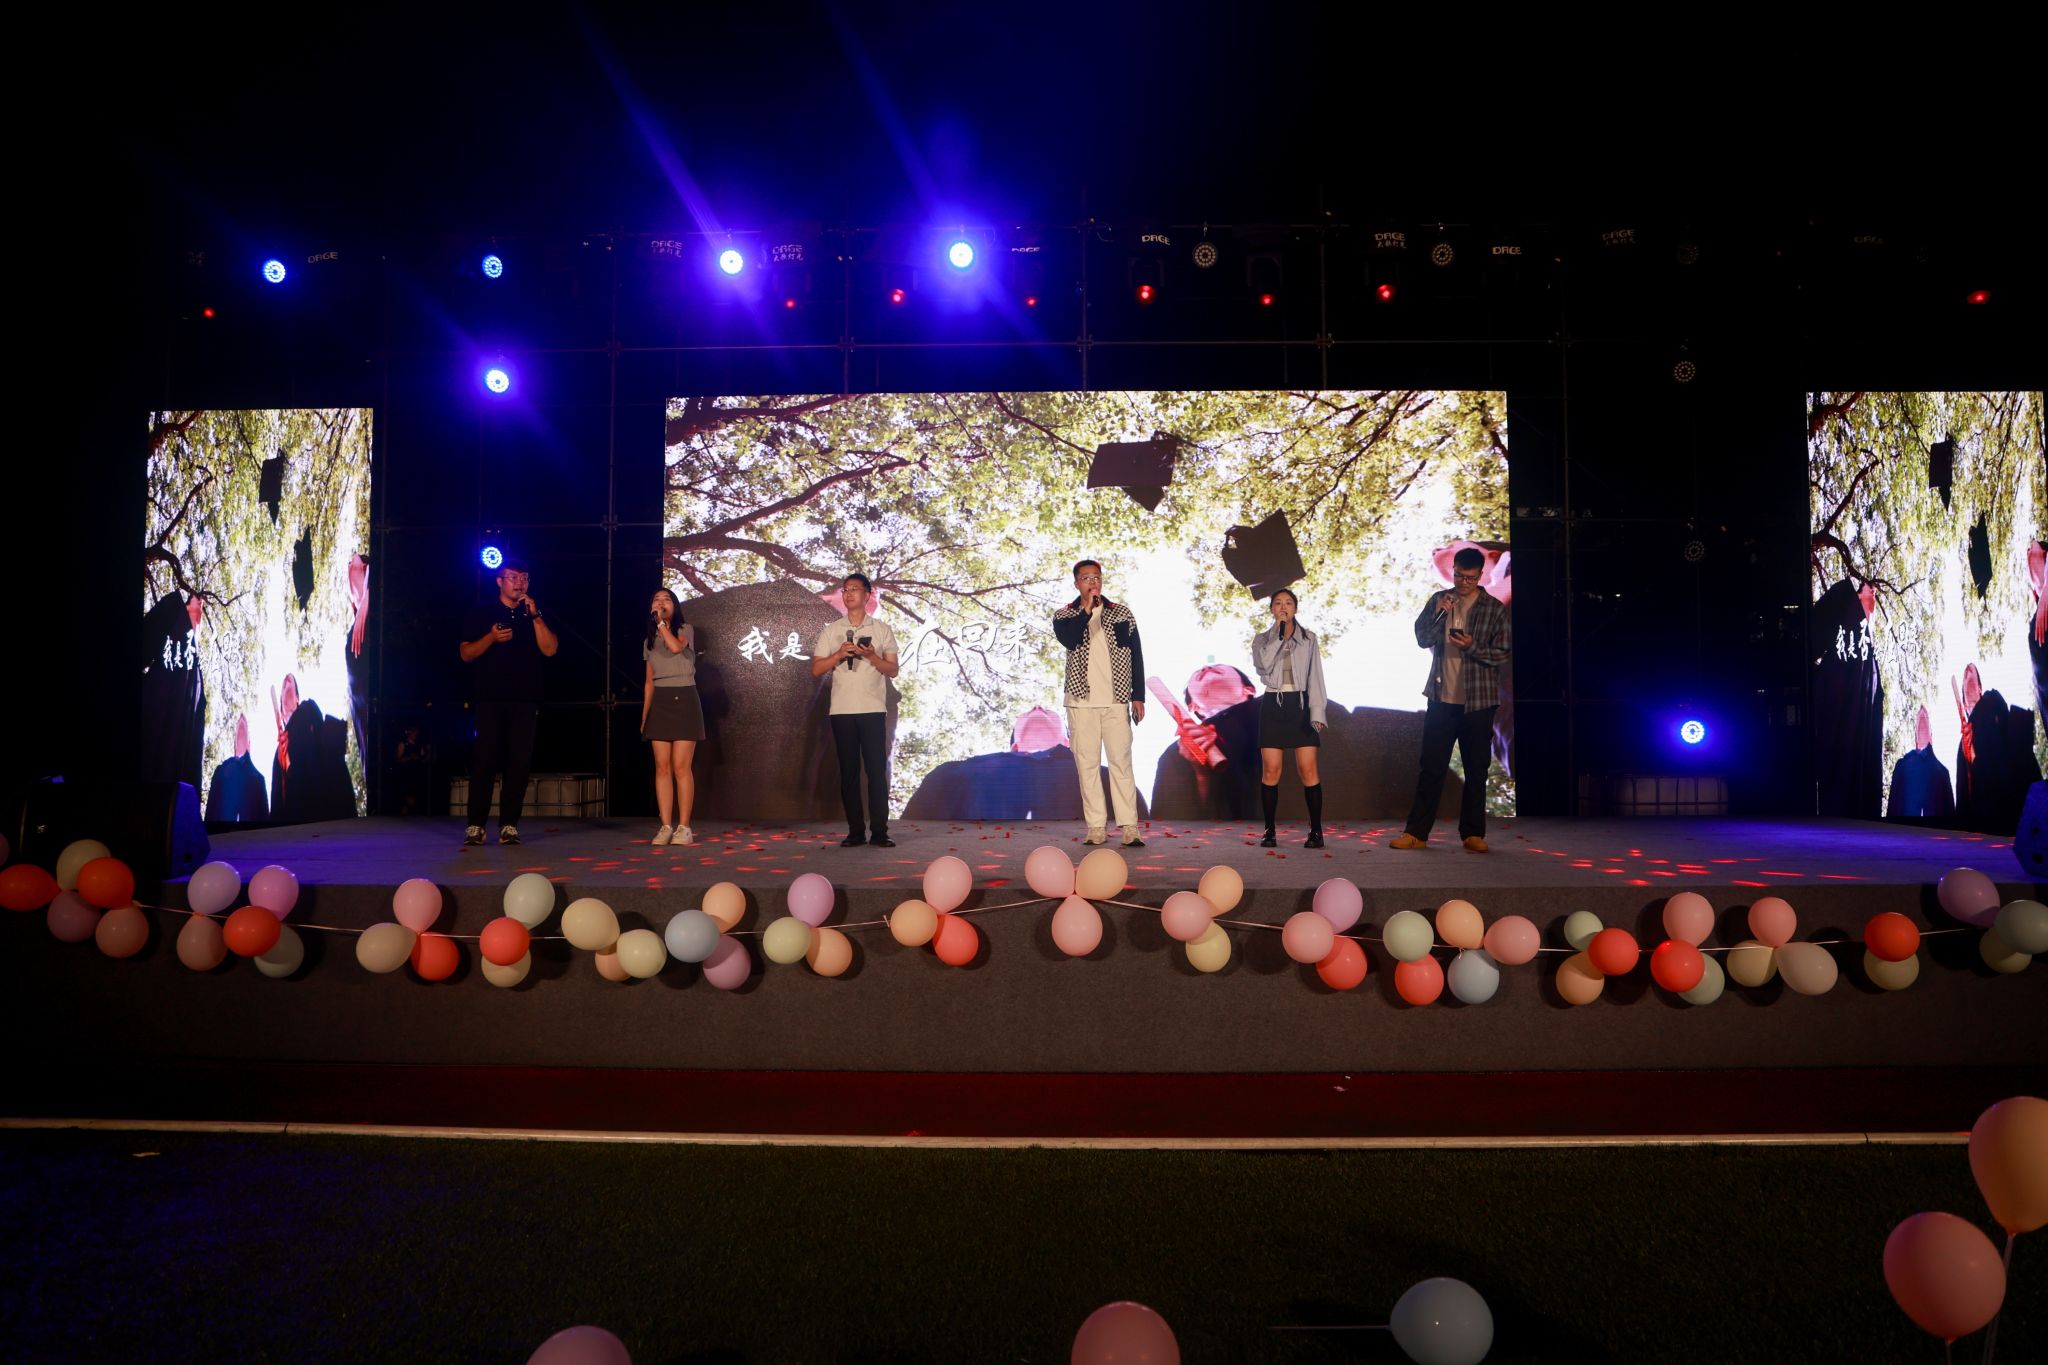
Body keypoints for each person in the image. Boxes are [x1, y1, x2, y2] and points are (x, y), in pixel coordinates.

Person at [1392, 546, 1511, 852]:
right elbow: (1423, 639)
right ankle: (1416, 833)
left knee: (1476, 769)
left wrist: (1472, 646)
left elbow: (1502, 654)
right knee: (1431, 767)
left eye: (1469, 577)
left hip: (1479, 702)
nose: (1462, 582)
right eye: (1458, 575)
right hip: (1441, 698)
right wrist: (1440, 613)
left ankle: (1473, 834)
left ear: (1480, 575)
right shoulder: (1439, 599)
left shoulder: (1494, 608)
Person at [458, 559, 558, 846]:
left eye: (524, 577)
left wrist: (536, 616)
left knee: (519, 763)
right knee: (485, 761)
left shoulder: (534, 612)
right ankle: (476, 825)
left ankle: (509, 825)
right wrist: (491, 637)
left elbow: (550, 650)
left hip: (525, 699)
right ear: (499, 581)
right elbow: (466, 653)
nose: (519, 583)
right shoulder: (482, 611)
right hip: (490, 698)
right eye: (513, 577)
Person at [1052, 559, 1147, 847]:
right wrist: (1086, 611)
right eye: (1086, 578)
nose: (1092, 582)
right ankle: (1096, 827)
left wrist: (1138, 695)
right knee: (1088, 766)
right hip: (1080, 702)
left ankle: (1129, 827)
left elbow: (1136, 654)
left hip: (1116, 700)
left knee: (1121, 763)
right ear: (1076, 584)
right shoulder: (1064, 615)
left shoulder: (1122, 613)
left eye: (1096, 577)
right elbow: (1069, 640)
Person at [809, 573, 899, 847]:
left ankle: (880, 832)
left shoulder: (882, 630)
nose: (848, 594)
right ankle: (855, 832)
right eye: (845, 589)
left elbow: (892, 670)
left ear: (867, 595)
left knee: (875, 772)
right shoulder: (832, 630)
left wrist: (871, 656)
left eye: (854, 589)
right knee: (848, 773)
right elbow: (816, 669)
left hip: (873, 710)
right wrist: (838, 654)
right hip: (842, 711)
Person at [1251, 588, 1329, 848]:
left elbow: (1315, 676)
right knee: (1271, 770)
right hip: (1273, 704)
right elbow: (1263, 667)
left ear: (1295, 608)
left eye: (1288, 603)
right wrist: (1279, 636)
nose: (1283, 607)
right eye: (1277, 603)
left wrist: (1317, 711)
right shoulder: (1261, 640)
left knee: (1308, 769)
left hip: (1301, 704)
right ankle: (1269, 830)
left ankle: (1316, 831)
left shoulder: (1309, 639)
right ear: (1272, 609)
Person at [1148, 666, 1261, 823]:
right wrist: (1202, 775)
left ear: (1248, 690)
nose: (1206, 668)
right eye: (1197, 674)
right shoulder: (1176, 753)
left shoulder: (1276, 715)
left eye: (1218, 666)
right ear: (1193, 706)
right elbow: (1174, 821)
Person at [641, 586, 704, 846]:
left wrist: (662, 625)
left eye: (666, 599)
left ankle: (684, 827)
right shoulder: (648, 641)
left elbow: (676, 648)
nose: (661, 602)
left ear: (674, 606)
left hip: (684, 697)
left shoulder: (684, 629)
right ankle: (665, 826)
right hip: (661, 701)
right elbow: (649, 683)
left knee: (680, 766)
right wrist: (645, 716)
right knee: (662, 767)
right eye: (656, 599)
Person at [1886, 704, 1956, 822]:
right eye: (1919, 719)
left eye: (1925, 719)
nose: (1922, 722)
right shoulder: (1901, 766)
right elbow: (1892, 806)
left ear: (1931, 736)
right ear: (1915, 736)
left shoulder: (1943, 773)